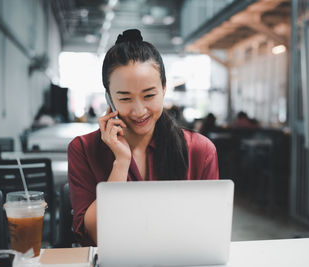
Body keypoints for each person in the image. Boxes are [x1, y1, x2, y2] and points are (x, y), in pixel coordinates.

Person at [67, 29, 219, 246]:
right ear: (109, 98)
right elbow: (97, 236)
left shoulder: (200, 150)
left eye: (149, 95)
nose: (139, 111)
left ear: (164, 89)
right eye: (125, 98)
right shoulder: (83, 149)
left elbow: (209, 232)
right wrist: (120, 163)